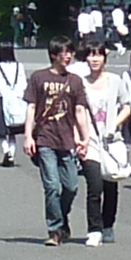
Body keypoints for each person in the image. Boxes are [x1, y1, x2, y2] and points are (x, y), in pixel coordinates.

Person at [24, 41, 89, 239]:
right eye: (63, 52)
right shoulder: (39, 77)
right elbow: (31, 108)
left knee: (71, 186)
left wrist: (85, 138)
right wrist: (28, 136)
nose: (67, 56)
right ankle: (54, 230)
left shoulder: (75, 81)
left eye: (70, 52)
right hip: (45, 138)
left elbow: (80, 110)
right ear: (53, 55)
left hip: (67, 139)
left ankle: (61, 217)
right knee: (52, 186)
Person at [77, 40, 131, 245]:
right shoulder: (80, 83)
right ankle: (94, 229)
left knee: (110, 183)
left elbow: (127, 106)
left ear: (105, 57)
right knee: (94, 186)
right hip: (89, 140)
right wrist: (79, 137)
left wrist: (114, 125)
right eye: (91, 55)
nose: (94, 59)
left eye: (98, 55)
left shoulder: (115, 80)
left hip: (111, 141)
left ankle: (108, 225)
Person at [0, 40, 29, 168]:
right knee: (13, 132)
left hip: (2, 99)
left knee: (2, 131)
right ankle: (11, 152)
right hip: (18, 99)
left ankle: (6, 151)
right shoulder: (19, 66)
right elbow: (24, 84)